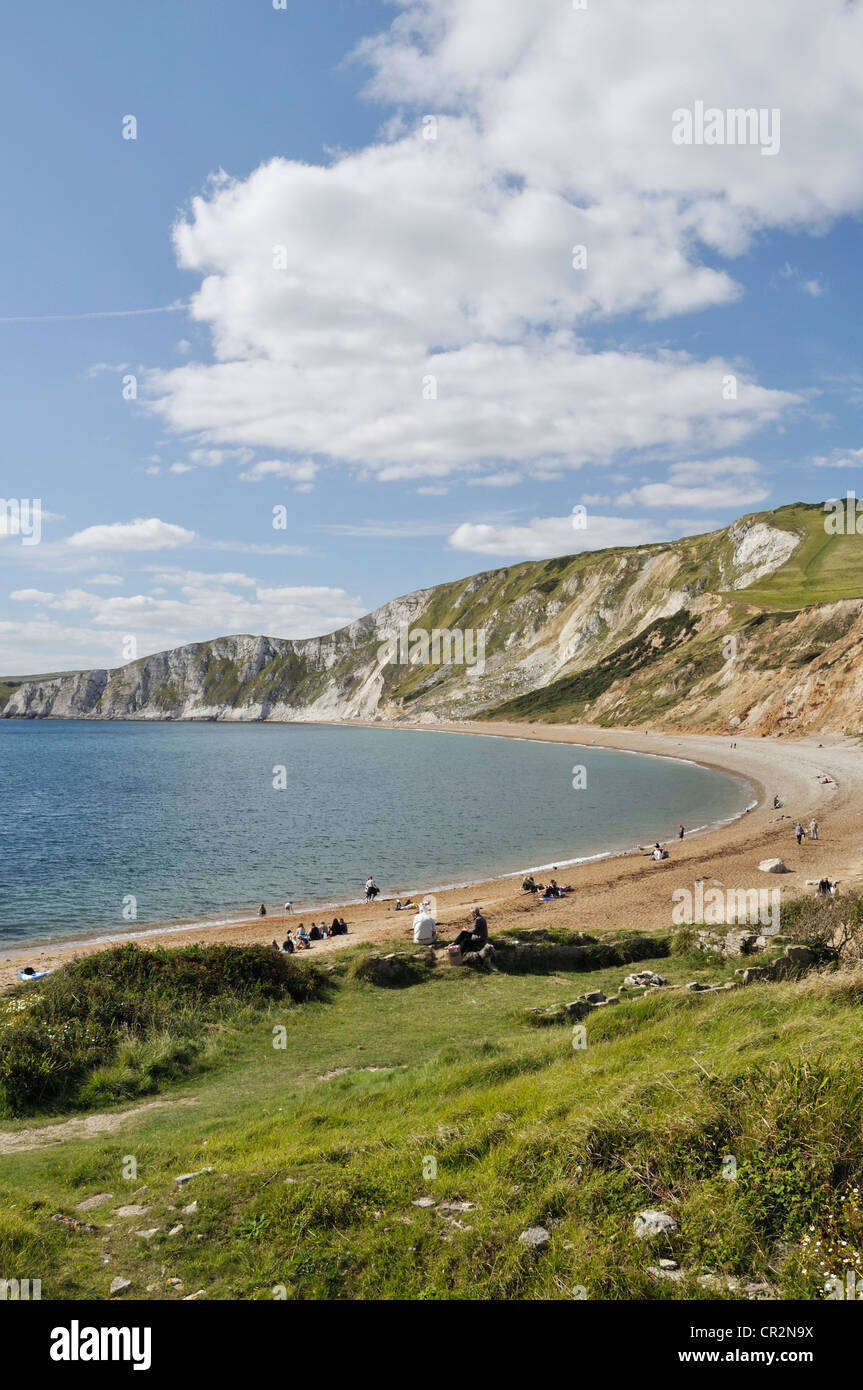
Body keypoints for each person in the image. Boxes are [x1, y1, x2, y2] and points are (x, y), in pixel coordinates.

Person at [452, 907, 498, 972]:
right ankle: (455, 943)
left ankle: (459, 957)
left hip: (479, 939)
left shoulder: (478, 919)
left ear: (474, 913)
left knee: (465, 941)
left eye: (471, 913)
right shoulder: (480, 917)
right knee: (464, 933)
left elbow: (474, 931)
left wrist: (466, 930)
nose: (471, 914)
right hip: (479, 935)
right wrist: (466, 930)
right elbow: (475, 929)